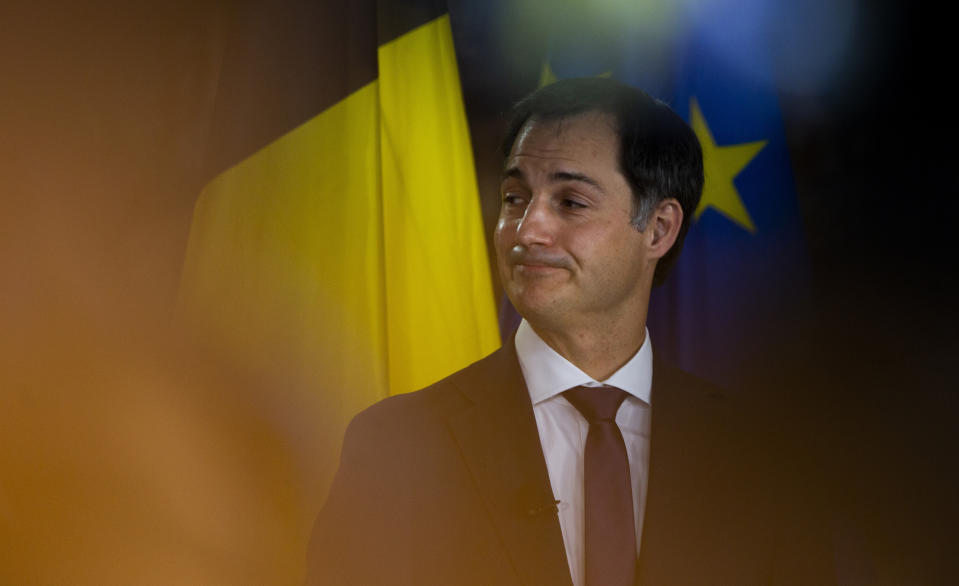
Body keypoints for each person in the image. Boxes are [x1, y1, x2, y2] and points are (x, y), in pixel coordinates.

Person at [305, 78, 834, 586]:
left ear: (659, 228)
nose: (527, 229)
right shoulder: (396, 445)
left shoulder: (764, 462)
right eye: (515, 198)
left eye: (571, 203)